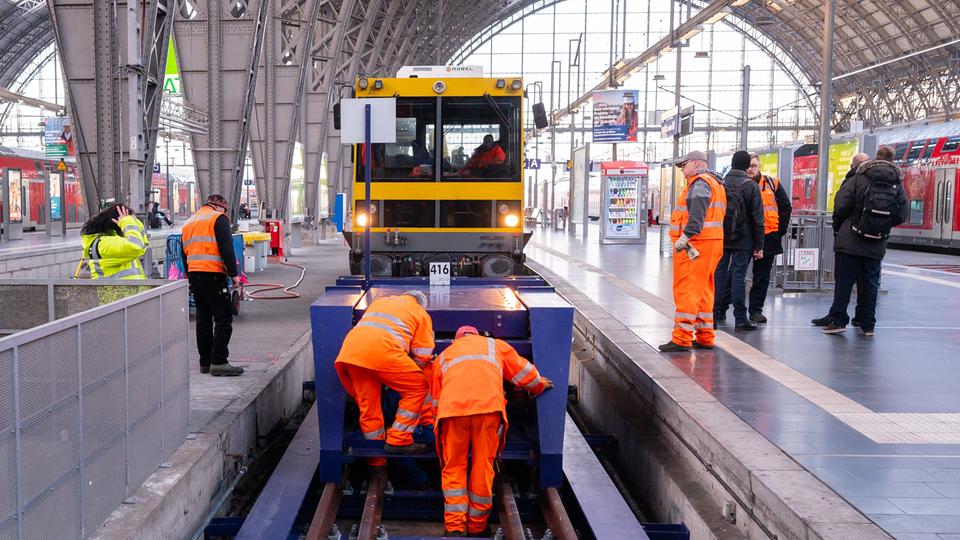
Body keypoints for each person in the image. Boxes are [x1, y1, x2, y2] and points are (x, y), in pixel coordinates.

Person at [432, 325, 552, 537]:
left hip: (452, 414)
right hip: (488, 411)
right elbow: (526, 374)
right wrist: (540, 385)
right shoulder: (494, 346)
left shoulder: (443, 356)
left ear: (456, 339)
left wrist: (436, 423)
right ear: (478, 335)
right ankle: (477, 527)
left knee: (453, 467)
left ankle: (455, 528)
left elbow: (434, 400)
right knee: (482, 466)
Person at [812, 146, 907, 336]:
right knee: (871, 283)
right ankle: (867, 325)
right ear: (892, 161)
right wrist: (882, 224)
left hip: (850, 240)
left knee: (845, 282)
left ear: (875, 158)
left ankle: (838, 320)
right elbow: (902, 215)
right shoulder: (897, 185)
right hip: (877, 242)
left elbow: (841, 204)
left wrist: (846, 223)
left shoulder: (860, 177)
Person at [335, 290, 435, 468]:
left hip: (351, 355)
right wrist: (408, 369)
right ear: (421, 304)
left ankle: (377, 461)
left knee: (369, 408)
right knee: (418, 387)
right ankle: (399, 438)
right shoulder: (420, 312)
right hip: (383, 353)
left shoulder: (379, 303)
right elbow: (423, 354)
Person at [659, 150, 727, 352]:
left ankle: (681, 338)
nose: (682, 169)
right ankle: (705, 336)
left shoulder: (700, 183)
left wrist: (685, 237)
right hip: (712, 242)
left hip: (696, 244)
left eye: (684, 165)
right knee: (704, 290)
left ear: (697, 163)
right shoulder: (715, 182)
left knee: (687, 290)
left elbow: (697, 214)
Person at [181, 194, 243, 376]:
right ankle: (219, 361)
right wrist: (234, 274)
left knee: (203, 319)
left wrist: (190, 278)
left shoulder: (189, 223)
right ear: (220, 205)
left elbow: (184, 253)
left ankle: (205, 363)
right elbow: (226, 248)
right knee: (223, 317)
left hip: (195, 275)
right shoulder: (218, 218)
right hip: (214, 274)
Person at [714, 150, 764, 331]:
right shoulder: (751, 186)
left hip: (721, 237)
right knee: (738, 277)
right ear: (745, 165)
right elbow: (758, 219)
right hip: (744, 240)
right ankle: (740, 319)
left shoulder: (721, 184)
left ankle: (712, 315)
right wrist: (760, 245)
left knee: (718, 275)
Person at [746, 153, 792, 324]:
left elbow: (785, 206)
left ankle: (756, 310)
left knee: (762, 276)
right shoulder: (741, 185)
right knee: (735, 273)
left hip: (768, 237)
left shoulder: (773, 184)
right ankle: (722, 307)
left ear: (759, 166)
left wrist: (780, 230)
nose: (751, 169)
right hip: (746, 237)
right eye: (748, 166)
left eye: (754, 165)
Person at [80, 204, 149, 279]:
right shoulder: (104, 243)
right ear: (118, 222)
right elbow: (136, 247)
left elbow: (142, 246)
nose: (132, 221)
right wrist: (127, 222)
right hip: (114, 290)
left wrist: (135, 222)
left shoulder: (118, 241)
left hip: (127, 290)